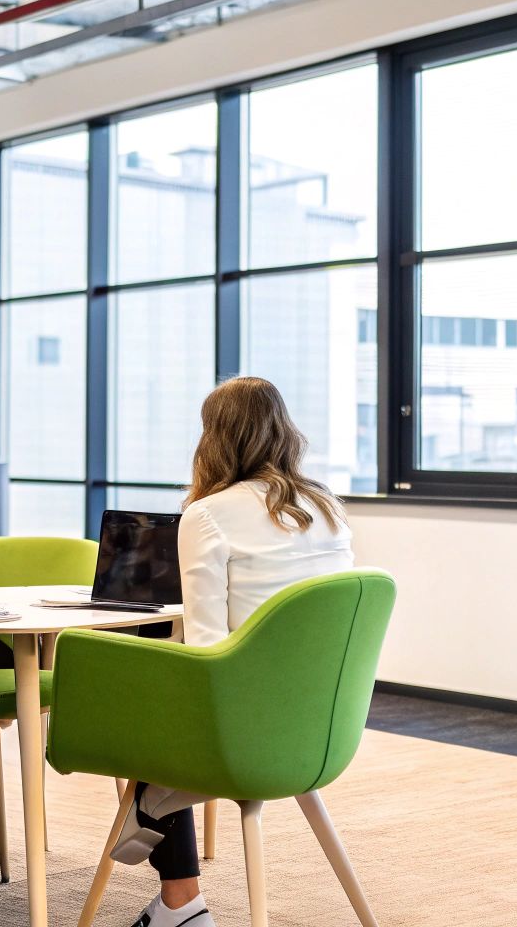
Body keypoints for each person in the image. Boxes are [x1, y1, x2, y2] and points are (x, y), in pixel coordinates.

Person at [115, 377, 354, 927]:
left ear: (214, 438)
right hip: (321, 726)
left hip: (242, 735)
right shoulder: (330, 509)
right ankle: (152, 819)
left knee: (138, 706)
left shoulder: (209, 514)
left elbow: (205, 649)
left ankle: (178, 895)